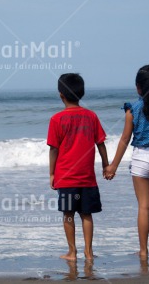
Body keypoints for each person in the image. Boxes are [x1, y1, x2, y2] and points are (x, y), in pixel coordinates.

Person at [105, 65, 149, 259]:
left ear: (139, 87)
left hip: (142, 157)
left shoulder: (133, 110)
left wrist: (113, 166)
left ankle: (143, 251)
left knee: (144, 207)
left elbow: (124, 140)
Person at [47, 73, 109, 261]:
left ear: (61, 95)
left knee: (68, 214)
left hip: (66, 178)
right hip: (87, 177)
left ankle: (72, 252)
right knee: (86, 214)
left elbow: (53, 149)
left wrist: (51, 173)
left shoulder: (57, 120)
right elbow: (101, 143)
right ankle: (88, 252)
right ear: (82, 93)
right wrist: (106, 165)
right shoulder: (91, 116)